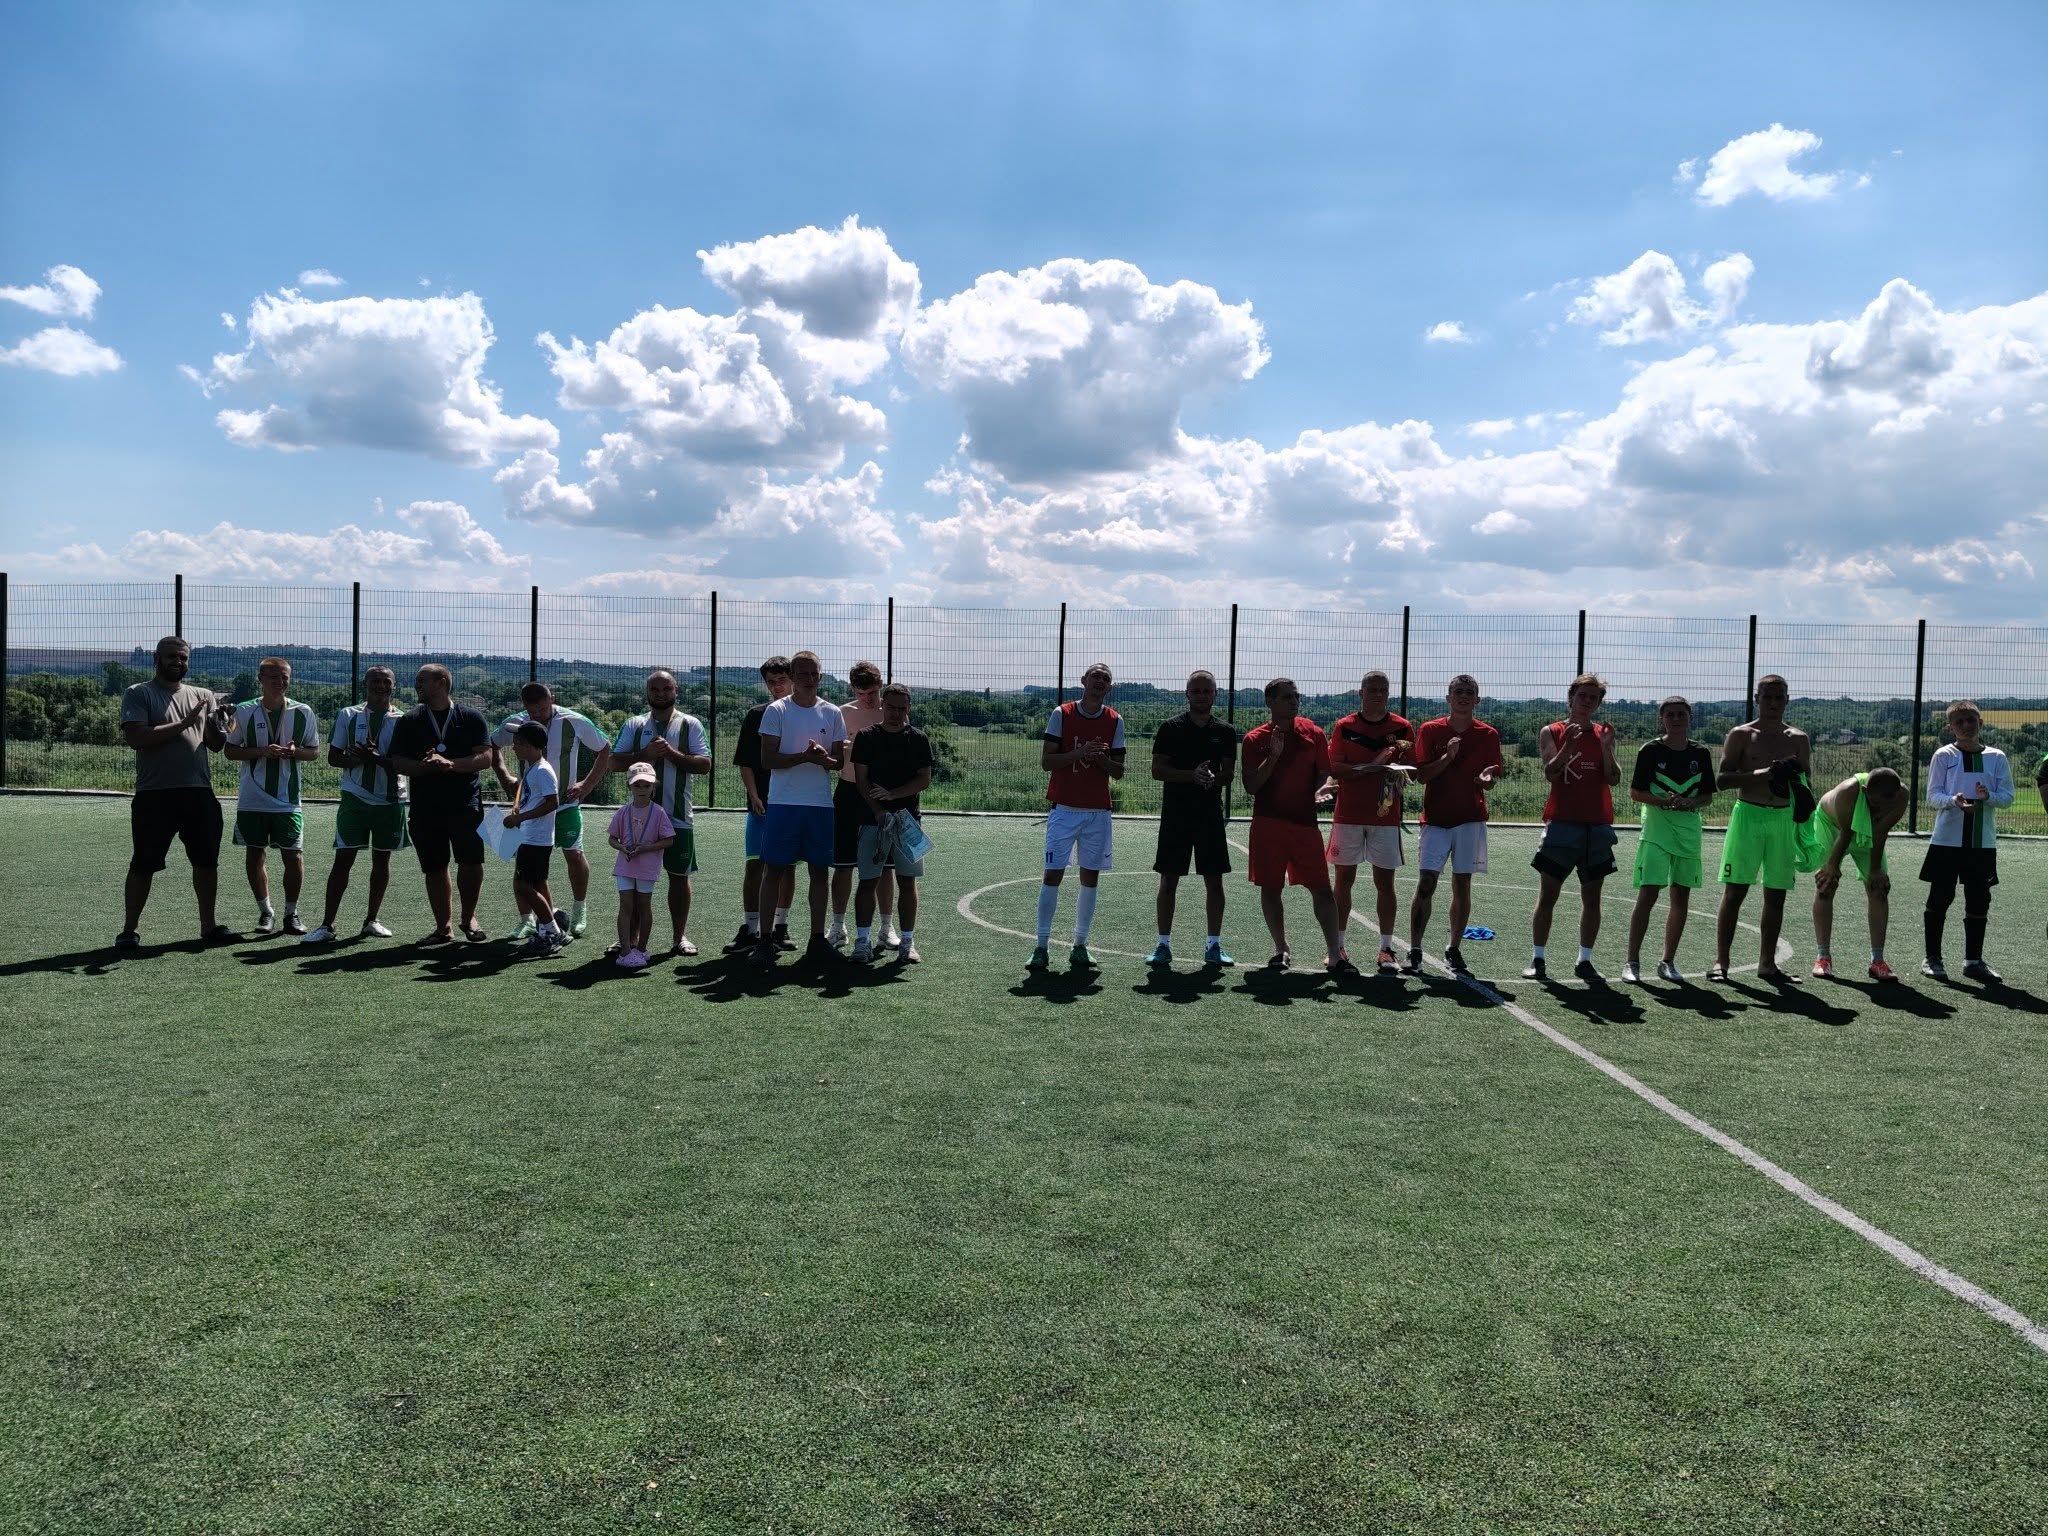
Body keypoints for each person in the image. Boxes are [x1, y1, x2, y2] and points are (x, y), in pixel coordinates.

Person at [117, 635, 232, 945]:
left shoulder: (203, 695)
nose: (177, 662)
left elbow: (216, 744)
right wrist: (184, 723)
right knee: (143, 863)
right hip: (155, 794)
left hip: (199, 792)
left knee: (206, 862)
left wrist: (222, 723)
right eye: (171, 656)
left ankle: (208, 928)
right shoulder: (138, 693)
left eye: (183, 658)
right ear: (156, 658)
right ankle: (128, 931)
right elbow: (137, 738)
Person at [1241, 678, 1349, 973]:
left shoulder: (1313, 733)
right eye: (1287, 697)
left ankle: (1335, 954)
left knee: (1322, 889)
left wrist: (1322, 787)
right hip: (1268, 824)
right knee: (1270, 888)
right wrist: (1273, 757)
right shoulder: (1254, 739)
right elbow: (1251, 786)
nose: (1294, 701)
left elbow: (1325, 773)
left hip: (1304, 825)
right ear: (1270, 702)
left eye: (1296, 696)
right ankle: (1281, 949)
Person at [492, 680, 613, 940]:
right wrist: (505, 777)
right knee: (524, 863)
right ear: (524, 707)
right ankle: (527, 920)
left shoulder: (574, 721)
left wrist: (587, 785)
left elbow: (604, 747)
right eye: (532, 711)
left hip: (565, 804)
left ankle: (579, 910)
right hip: (529, 807)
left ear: (552, 699)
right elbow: (492, 743)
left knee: (574, 854)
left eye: (543, 709)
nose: (538, 715)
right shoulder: (515, 723)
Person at [751, 650, 849, 968]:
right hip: (783, 803)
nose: (808, 679)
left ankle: (817, 940)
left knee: (819, 872)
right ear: (792, 676)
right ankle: (765, 941)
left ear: (820, 676)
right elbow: (767, 760)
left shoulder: (832, 712)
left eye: (813, 674)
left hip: (820, 805)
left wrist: (823, 759)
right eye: (802, 674)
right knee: (774, 871)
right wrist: (804, 757)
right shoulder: (777, 710)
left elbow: (838, 762)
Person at [1711, 674, 1810, 984]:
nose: (1773, 703)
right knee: (1734, 892)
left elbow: (1805, 783)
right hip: (1748, 816)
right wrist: (1763, 773)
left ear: (1787, 700)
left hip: (1782, 819)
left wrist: (1795, 783)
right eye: (1767, 697)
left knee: (1776, 894)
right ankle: (1721, 962)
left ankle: (1767, 965)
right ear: (1757, 699)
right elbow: (1722, 780)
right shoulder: (1741, 734)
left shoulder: (1798, 738)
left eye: (1779, 697)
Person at [385, 663, 494, 945]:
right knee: (435, 866)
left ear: (442, 682)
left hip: (465, 803)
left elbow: (485, 758)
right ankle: (443, 928)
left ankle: (469, 918)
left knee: (471, 862)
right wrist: (426, 767)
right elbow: (397, 762)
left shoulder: (471, 717)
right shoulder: (410, 720)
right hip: (426, 806)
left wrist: (451, 764)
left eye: (422, 680)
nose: (417, 685)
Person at [1524, 673, 1622, 982]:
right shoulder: (1552, 731)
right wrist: (1568, 744)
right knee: (1548, 895)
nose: (1587, 701)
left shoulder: (1604, 733)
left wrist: (1606, 748)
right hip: (1562, 825)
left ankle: (1585, 960)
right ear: (1571, 698)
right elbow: (1551, 772)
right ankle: (1538, 959)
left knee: (1592, 897)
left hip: (1597, 826)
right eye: (1583, 696)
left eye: (1594, 697)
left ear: (1598, 703)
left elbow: (1614, 778)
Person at [1030, 661, 1125, 971]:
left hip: (1098, 812)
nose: (1100, 681)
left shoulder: (1114, 720)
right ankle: (1041, 946)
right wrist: (1081, 753)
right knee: (1052, 875)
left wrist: (1101, 760)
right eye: (1095, 676)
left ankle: (1080, 945)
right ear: (1083, 680)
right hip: (1064, 810)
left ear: (1110, 687)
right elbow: (1047, 762)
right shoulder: (1062, 713)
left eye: (1105, 678)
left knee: (1090, 878)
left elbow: (1119, 771)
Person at [607, 670, 710, 956]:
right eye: (655, 689)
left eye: (666, 689)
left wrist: (671, 754)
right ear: (647, 693)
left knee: (679, 877)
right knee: (634, 881)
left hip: (678, 816)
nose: (661, 694)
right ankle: (629, 939)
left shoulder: (690, 724)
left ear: (676, 691)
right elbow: (613, 763)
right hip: (638, 818)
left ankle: (679, 937)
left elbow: (705, 765)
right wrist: (646, 755)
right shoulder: (635, 724)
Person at [303, 664, 407, 944]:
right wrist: (356, 760)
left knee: (382, 860)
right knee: (343, 860)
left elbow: (406, 763)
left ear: (393, 686)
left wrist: (376, 758)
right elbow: (333, 757)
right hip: (355, 798)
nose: (380, 686)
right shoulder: (348, 715)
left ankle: (371, 920)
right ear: (365, 684)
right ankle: (327, 925)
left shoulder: (404, 719)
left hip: (390, 800)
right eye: (375, 681)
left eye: (386, 681)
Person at [1409, 675, 1503, 977]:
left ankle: (1453, 948)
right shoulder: (1430, 730)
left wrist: (1487, 780)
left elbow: (1491, 778)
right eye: (1458, 691)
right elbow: (1422, 776)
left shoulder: (1488, 734)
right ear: (1448, 697)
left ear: (1477, 699)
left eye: (1469, 692)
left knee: (1462, 884)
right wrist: (1447, 758)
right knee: (1426, 883)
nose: (1463, 696)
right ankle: (1415, 949)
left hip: (1471, 820)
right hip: (1435, 820)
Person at [222, 657, 321, 936]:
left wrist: (295, 752)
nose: (280, 682)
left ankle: (292, 913)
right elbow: (230, 750)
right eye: (274, 677)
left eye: (285, 677)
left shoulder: (303, 712)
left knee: (294, 856)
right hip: (252, 798)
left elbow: (314, 752)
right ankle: (266, 912)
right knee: (255, 854)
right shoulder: (242, 711)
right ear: (261, 679)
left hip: (288, 800)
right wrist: (261, 751)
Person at [1621, 697, 1717, 983]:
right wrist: (1665, 801)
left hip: (1688, 834)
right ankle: (1632, 962)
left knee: (1680, 896)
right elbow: (1636, 793)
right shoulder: (1650, 750)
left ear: (1690, 717)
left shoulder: (1701, 752)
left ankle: (1667, 962)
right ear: (1661, 719)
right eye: (1670, 715)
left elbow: (1707, 797)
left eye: (1681, 714)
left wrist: (1690, 803)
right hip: (1657, 832)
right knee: (1648, 893)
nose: (1676, 719)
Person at [1149, 669, 1239, 969]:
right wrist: (1192, 775)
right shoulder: (1170, 727)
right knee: (1168, 879)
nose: (1201, 696)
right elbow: (1157, 770)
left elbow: (1228, 773)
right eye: (1196, 691)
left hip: (1209, 814)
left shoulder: (1225, 731)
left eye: (1207, 691)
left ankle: (1213, 945)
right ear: (1187, 694)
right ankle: (1163, 945)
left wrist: (1212, 778)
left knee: (1214, 880)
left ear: (1216, 694)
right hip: (1176, 814)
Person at [1920, 702, 2015, 983]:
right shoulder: (1943, 755)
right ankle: (1933, 959)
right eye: (1959, 721)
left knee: (1979, 899)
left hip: (1981, 843)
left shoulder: (1997, 757)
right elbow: (1932, 796)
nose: (1966, 725)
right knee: (1940, 897)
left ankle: (1973, 961)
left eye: (1971, 720)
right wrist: (1954, 801)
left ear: (1980, 723)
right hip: (1946, 841)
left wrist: (1989, 797)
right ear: (1950, 727)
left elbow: (2008, 797)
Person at [1325, 669, 1412, 973]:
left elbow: (1410, 770)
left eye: (1382, 690)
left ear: (1388, 694)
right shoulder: (1344, 726)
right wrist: (1372, 766)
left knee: (1385, 883)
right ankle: (1337, 947)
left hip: (1385, 816)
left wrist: (1398, 773)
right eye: (1371, 689)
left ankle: (1386, 950)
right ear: (1361, 693)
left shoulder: (1402, 727)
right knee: (1343, 881)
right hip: (1348, 814)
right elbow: (1335, 767)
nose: (1377, 694)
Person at [1796, 767, 1909, 981]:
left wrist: (1875, 871)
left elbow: (1880, 832)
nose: (1880, 809)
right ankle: (1823, 958)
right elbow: (1846, 833)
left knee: (1878, 888)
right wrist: (1831, 866)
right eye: (1875, 804)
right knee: (1826, 885)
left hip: (1870, 831)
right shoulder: (1847, 792)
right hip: (1832, 827)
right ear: (1865, 791)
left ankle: (1878, 962)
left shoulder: (1901, 796)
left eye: (1886, 804)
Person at [850, 682, 936, 963]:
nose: (896, 713)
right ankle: (862, 942)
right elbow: (861, 781)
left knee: (907, 882)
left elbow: (924, 779)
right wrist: (878, 811)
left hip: (909, 821)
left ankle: (907, 943)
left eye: (902, 708)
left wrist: (893, 795)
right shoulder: (866, 737)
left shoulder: (919, 738)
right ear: (882, 706)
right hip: (871, 819)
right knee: (867, 880)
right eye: (891, 707)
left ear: (908, 708)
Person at [726, 657, 796, 953]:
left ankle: (780, 927)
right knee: (755, 864)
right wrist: (754, 796)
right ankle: (750, 928)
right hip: (761, 805)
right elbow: (746, 762)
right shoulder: (756, 715)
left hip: (791, 804)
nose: (777, 687)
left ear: (792, 680)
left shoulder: (802, 714)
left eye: (782, 680)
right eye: (771, 682)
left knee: (787, 868)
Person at [830, 661, 899, 950]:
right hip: (848, 792)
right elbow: (832, 758)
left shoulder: (892, 712)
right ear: (853, 690)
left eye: (872, 692)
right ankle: (837, 927)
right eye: (862, 693)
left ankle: (886, 927)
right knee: (843, 864)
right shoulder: (842, 713)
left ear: (881, 684)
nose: (869, 699)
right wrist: (842, 751)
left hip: (880, 793)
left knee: (885, 865)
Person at [502, 721, 566, 954]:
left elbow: (552, 803)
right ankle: (548, 929)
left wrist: (520, 818)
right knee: (536, 884)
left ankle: (553, 931)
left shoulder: (542, 770)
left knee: (523, 886)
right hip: (531, 837)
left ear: (529, 745)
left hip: (535, 839)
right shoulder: (533, 767)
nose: (514, 748)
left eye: (517, 743)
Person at [607, 762, 676, 971]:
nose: (642, 789)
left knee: (644, 906)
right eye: (637, 785)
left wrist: (646, 848)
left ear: (654, 786)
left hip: (647, 868)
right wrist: (622, 847)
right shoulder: (623, 812)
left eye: (647, 785)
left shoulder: (659, 812)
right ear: (629, 786)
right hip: (625, 866)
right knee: (626, 906)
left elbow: (669, 840)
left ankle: (642, 949)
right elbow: (612, 838)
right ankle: (625, 950)